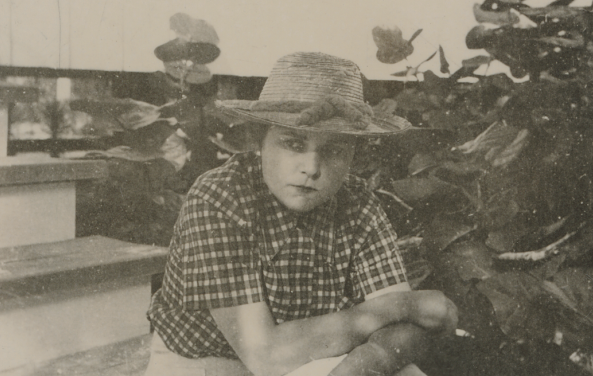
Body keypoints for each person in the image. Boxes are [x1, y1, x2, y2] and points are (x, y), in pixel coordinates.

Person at [145, 52, 458, 376]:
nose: (311, 168)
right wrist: (398, 306)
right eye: (293, 144)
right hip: (206, 363)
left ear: (355, 154)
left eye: (334, 150)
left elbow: (407, 331)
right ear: (259, 140)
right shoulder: (220, 197)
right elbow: (265, 356)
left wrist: (362, 364)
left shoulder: (358, 204)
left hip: (320, 353)